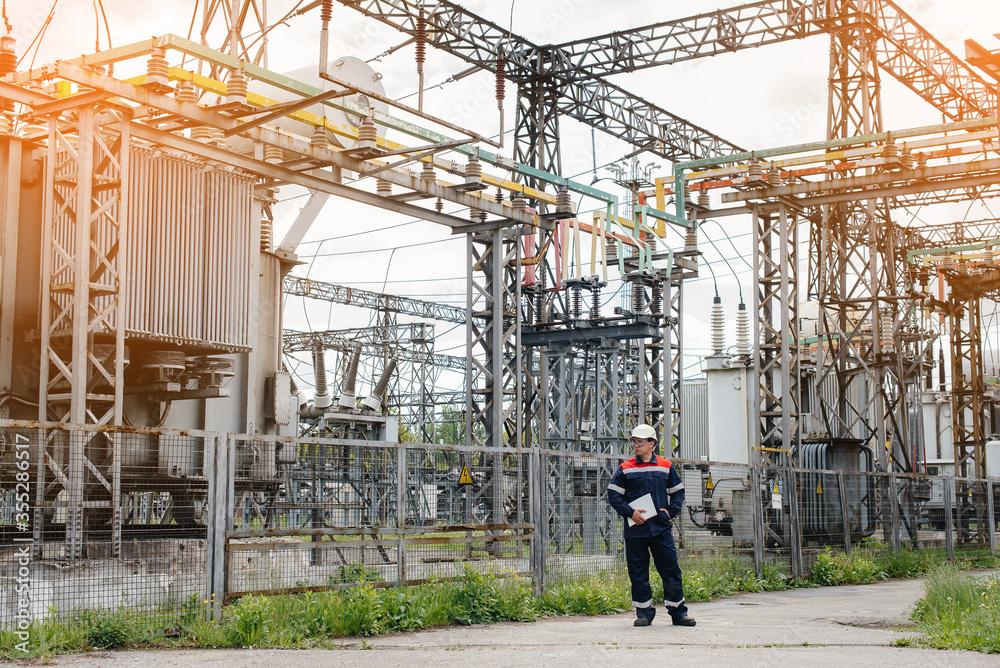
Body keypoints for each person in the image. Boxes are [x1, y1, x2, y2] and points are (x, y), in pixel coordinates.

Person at [606, 423, 696, 627]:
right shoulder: (625, 468)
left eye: (639, 441)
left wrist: (670, 512)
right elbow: (613, 495)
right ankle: (644, 612)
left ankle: (678, 612)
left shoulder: (665, 466)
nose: (635, 445)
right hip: (636, 529)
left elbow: (678, 492)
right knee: (638, 571)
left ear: (652, 443)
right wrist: (631, 513)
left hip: (661, 529)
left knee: (671, 569)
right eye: (633, 442)